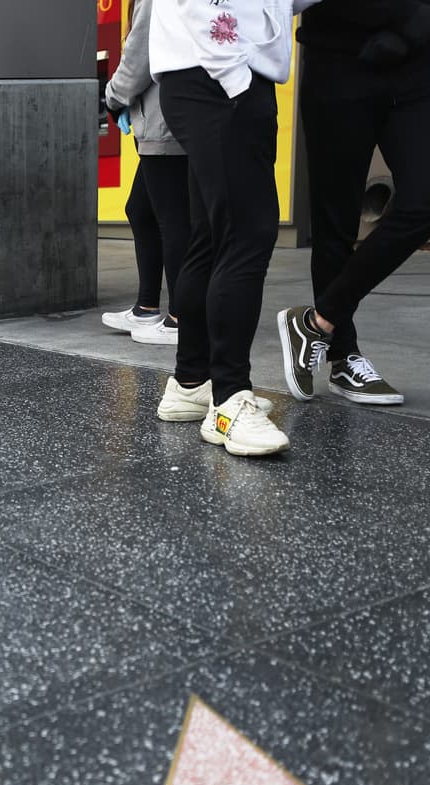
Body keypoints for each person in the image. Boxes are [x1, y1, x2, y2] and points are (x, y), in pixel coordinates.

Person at [146, 0, 320, 456]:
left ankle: (190, 384)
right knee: (247, 234)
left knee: (212, 236)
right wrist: (235, 80)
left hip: (209, 73)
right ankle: (229, 401)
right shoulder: (227, 75)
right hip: (219, 74)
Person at [276, 0, 430, 407]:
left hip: (420, 61)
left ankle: (317, 322)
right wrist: (399, 15)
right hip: (340, 61)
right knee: (334, 223)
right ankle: (343, 357)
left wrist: (419, 20)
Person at [101, 0, 190, 347]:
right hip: (162, 118)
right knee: (141, 209)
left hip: (165, 121)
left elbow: (139, 55)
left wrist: (112, 96)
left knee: (174, 221)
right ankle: (147, 307)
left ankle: (182, 319)